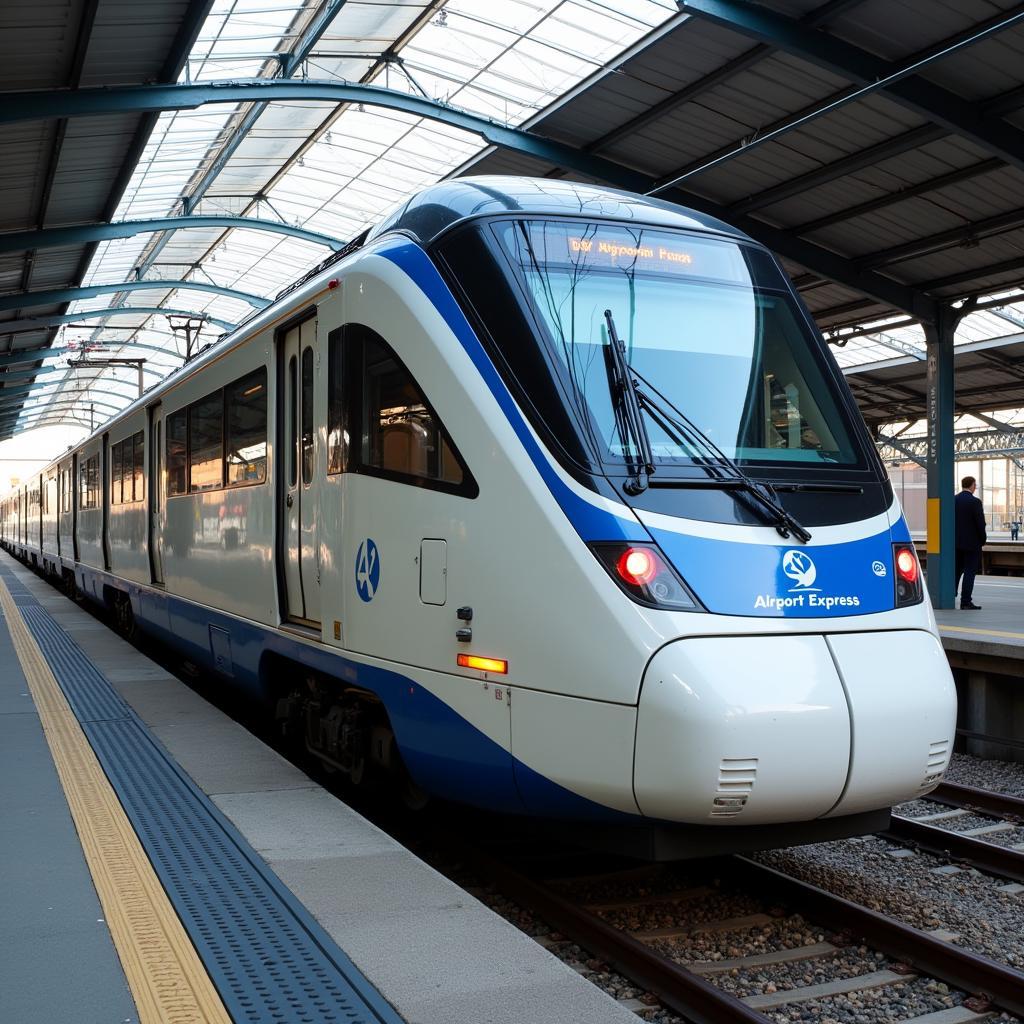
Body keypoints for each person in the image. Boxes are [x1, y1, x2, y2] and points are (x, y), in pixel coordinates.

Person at [955, 476, 987, 610]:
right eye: (975, 485)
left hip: (956, 544)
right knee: (969, 572)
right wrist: (982, 539)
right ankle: (965, 601)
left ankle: (949, 596)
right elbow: (980, 523)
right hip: (972, 544)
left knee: (956, 571)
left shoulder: (953, 499)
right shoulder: (975, 502)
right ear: (972, 485)